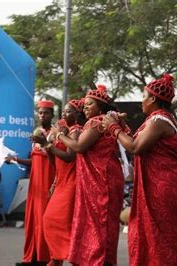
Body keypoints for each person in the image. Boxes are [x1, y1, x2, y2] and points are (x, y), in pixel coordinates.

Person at [101, 74, 177, 266]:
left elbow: (134, 147)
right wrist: (121, 126)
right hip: (156, 181)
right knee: (148, 232)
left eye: (143, 97)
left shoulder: (159, 121)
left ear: (153, 99)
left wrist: (114, 128)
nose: (142, 102)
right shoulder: (154, 120)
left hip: (163, 183)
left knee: (160, 235)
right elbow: (136, 140)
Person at [52, 85, 124, 266]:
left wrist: (59, 135)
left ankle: (96, 260)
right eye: (84, 104)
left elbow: (77, 147)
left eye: (89, 104)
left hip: (101, 180)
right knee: (102, 224)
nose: (85, 107)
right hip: (103, 177)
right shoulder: (106, 120)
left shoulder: (96, 122)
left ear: (100, 107)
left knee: (99, 223)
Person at [35, 99, 83, 266]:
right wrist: (47, 145)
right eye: (64, 111)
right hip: (62, 181)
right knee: (54, 222)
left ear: (78, 114)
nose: (64, 114)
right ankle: (57, 259)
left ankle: (68, 258)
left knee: (53, 220)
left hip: (72, 182)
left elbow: (70, 157)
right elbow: (55, 161)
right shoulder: (65, 131)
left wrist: (48, 144)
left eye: (69, 111)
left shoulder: (76, 130)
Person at [9, 100, 56, 265]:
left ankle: (45, 257)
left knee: (44, 219)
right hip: (35, 183)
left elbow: (57, 158)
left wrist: (46, 143)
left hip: (48, 181)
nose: (42, 115)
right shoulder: (37, 134)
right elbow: (34, 161)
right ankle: (32, 256)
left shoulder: (55, 133)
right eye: (40, 113)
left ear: (52, 115)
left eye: (46, 113)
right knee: (33, 219)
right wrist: (15, 159)